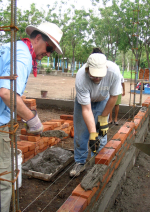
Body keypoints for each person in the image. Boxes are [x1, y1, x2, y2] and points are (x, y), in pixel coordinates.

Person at [0, 22, 63, 212]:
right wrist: (33, 120)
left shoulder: (13, 48)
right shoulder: (23, 56)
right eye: (49, 47)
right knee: (4, 178)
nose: (48, 54)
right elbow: (7, 93)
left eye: (52, 50)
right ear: (37, 38)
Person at [70, 47, 121, 177]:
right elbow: (86, 109)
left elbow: (114, 96)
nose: (97, 78)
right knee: (81, 134)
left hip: (104, 101)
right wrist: (92, 132)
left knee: (101, 136)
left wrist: (103, 118)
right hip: (84, 103)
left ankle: (97, 163)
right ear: (87, 69)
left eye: (100, 75)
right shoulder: (81, 76)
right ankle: (80, 162)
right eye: (94, 75)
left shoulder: (114, 71)